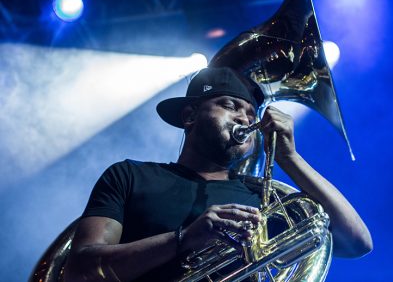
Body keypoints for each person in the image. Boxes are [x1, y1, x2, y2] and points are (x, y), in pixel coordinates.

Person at [64, 67, 372, 282]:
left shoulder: (263, 198)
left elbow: (357, 242)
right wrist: (185, 238)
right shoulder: (130, 175)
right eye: (230, 105)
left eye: (252, 115)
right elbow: (79, 271)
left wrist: (289, 157)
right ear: (189, 116)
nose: (245, 119)